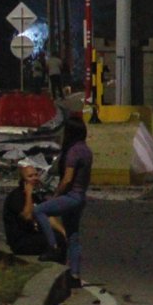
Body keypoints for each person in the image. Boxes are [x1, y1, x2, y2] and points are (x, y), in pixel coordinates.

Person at [34, 117, 93, 287]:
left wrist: (56, 195)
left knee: (40, 210)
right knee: (73, 236)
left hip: (70, 196)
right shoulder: (86, 150)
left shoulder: (73, 151)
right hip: (81, 197)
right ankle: (75, 275)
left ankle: (53, 247)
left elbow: (67, 179)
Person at [2, 164, 66, 256]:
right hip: (21, 241)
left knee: (61, 237)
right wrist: (28, 194)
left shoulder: (36, 196)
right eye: (30, 176)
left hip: (35, 235)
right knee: (57, 239)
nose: (34, 178)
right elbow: (27, 216)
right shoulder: (16, 196)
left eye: (36, 175)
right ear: (23, 180)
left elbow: (47, 216)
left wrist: (63, 232)